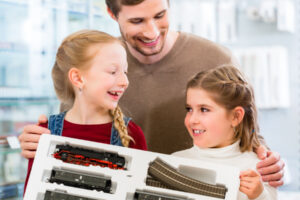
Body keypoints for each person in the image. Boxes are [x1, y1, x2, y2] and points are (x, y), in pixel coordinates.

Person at [19, 0, 284, 187]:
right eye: (137, 20)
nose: (152, 31)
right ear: (112, 14)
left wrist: (268, 164)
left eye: (159, 15)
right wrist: (34, 141)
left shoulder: (216, 58)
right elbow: (72, 126)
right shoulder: (96, 66)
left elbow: (250, 135)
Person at [23, 30, 147, 193]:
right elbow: (32, 193)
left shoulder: (132, 134)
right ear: (78, 78)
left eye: (125, 71)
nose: (125, 81)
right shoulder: (45, 133)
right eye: (113, 72)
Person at [173, 65, 277, 199]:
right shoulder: (174, 161)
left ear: (235, 117)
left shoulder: (260, 169)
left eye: (204, 109)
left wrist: (259, 196)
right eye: (189, 109)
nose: (192, 119)